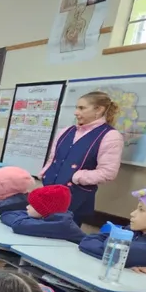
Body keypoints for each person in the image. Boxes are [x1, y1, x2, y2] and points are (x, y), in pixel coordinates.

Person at [40, 91, 124, 225]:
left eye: (82, 108)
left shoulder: (110, 136)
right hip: (48, 192)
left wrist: (78, 177)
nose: (76, 112)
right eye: (76, 107)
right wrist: (45, 172)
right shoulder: (66, 131)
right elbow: (53, 158)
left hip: (74, 197)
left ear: (99, 110)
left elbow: (108, 172)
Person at [0, 184, 87, 243]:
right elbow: (6, 214)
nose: (27, 207)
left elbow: (18, 225)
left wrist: (25, 220)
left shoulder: (62, 225)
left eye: (32, 205)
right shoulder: (44, 216)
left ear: (44, 209)